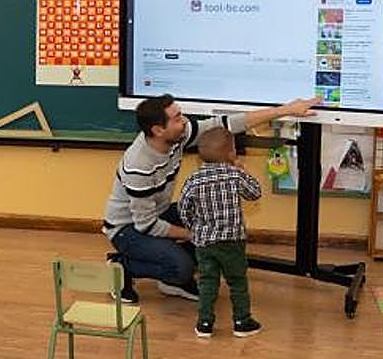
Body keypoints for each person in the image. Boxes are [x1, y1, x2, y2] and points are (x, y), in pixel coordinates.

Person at [103, 93, 318, 304]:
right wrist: (194, 235)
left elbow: (226, 125)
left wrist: (286, 109)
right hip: (128, 228)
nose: (185, 121)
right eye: (177, 119)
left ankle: (172, 279)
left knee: (214, 218)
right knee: (183, 265)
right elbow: (146, 225)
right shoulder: (138, 167)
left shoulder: (177, 137)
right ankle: (122, 266)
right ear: (158, 130)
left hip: (157, 214)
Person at [177, 127, 263, 338]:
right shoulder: (234, 174)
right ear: (231, 153)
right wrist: (242, 169)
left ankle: (204, 323)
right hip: (233, 241)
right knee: (237, 281)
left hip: (205, 243)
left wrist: (194, 228)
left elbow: (183, 207)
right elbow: (255, 193)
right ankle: (242, 321)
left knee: (207, 281)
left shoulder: (193, 179)